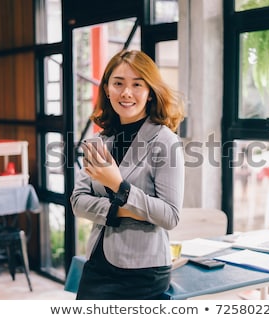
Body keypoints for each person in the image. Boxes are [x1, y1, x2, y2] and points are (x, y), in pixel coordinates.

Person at [70, 49, 185, 300]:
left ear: (150, 92)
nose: (126, 92)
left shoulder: (165, 141)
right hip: (97, 263)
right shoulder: (100, 140)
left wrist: (118, 186)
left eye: (137, 84)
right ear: (107, 89)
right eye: (118, 83)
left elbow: (169, 215)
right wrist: (117, 210)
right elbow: (78, 202)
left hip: (142, 270)